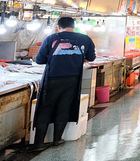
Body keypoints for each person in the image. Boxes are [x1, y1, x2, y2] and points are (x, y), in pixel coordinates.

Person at [32, 17, 96, 150]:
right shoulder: (85, 39)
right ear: (74, 26)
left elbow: (39, 60)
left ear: (59, 26)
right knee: (64, 107)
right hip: (73, 78)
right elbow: (91, 57)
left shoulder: (51, 38)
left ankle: (38, 143)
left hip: (52, 77)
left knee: (45, 108)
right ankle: (57, 139)